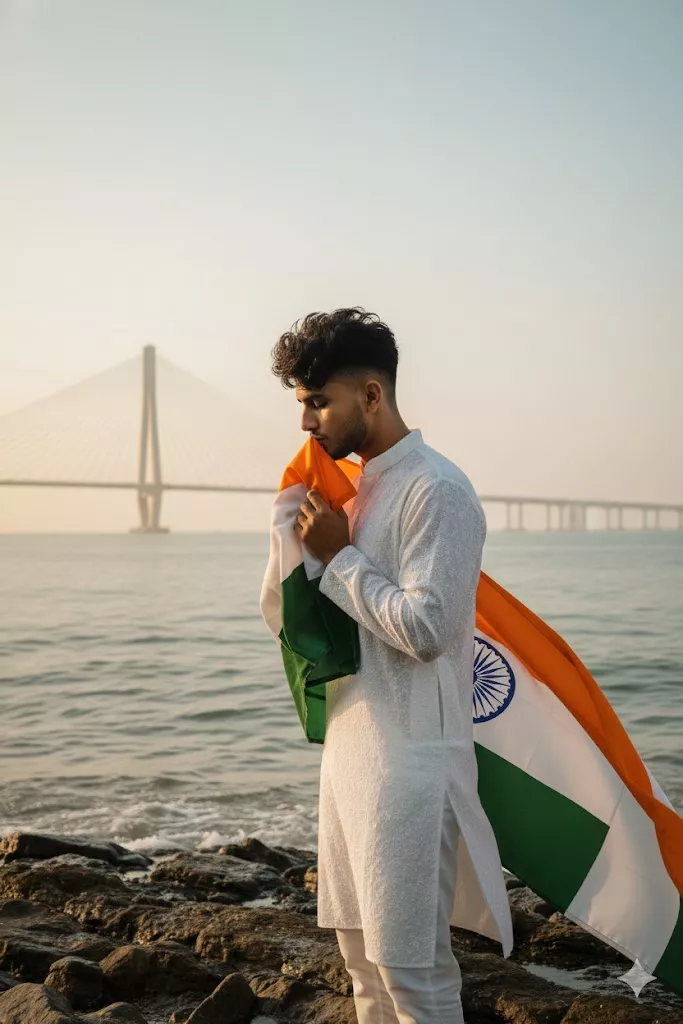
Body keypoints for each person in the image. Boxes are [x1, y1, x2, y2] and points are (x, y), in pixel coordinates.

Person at [269, 308, 513, 1024]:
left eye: (318, 401)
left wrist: (340, 557)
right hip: (350, 758)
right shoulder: (353, 490)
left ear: (370, 395)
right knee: (362, 973)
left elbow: (428, 629)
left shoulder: (436, 490)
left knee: (413, 978)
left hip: (410, 769)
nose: (307, 422)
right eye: (302, 404)